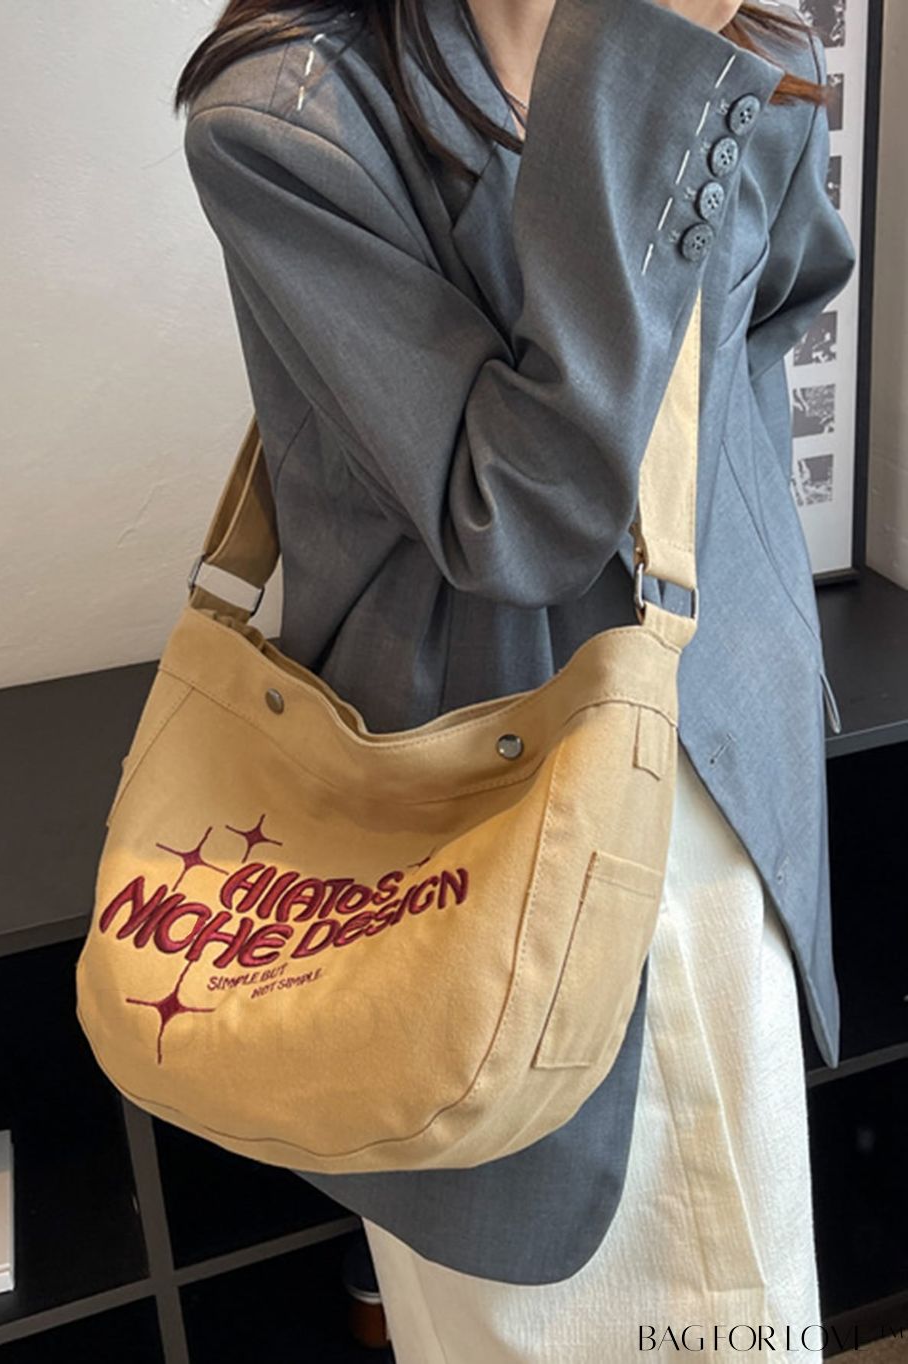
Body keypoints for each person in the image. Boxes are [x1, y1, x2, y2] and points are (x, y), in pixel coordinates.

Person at [176, 0, 856, 1356]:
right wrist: (634, 64)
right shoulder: (290, 119)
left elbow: (775, 306)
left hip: (716, 779)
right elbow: (519, 516)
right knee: (521, 1306)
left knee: (753, 1290)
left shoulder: (749, 42)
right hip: (469, 827)